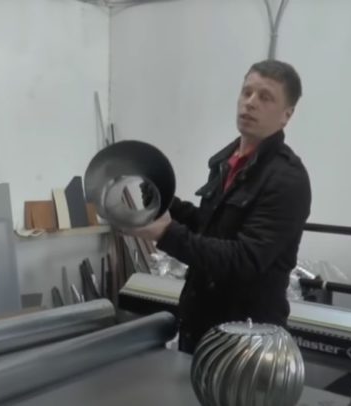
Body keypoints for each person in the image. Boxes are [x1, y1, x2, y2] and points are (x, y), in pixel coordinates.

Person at [126, 60, 312, 354]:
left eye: (265, 97)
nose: (250, 103)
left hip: (247, 342)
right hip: (200, 326)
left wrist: (166, 233)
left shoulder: (287, 179)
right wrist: (163, 202)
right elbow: (210, 228)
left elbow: (244, 260)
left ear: (286, 115)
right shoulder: (226, 163)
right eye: (247, 92)